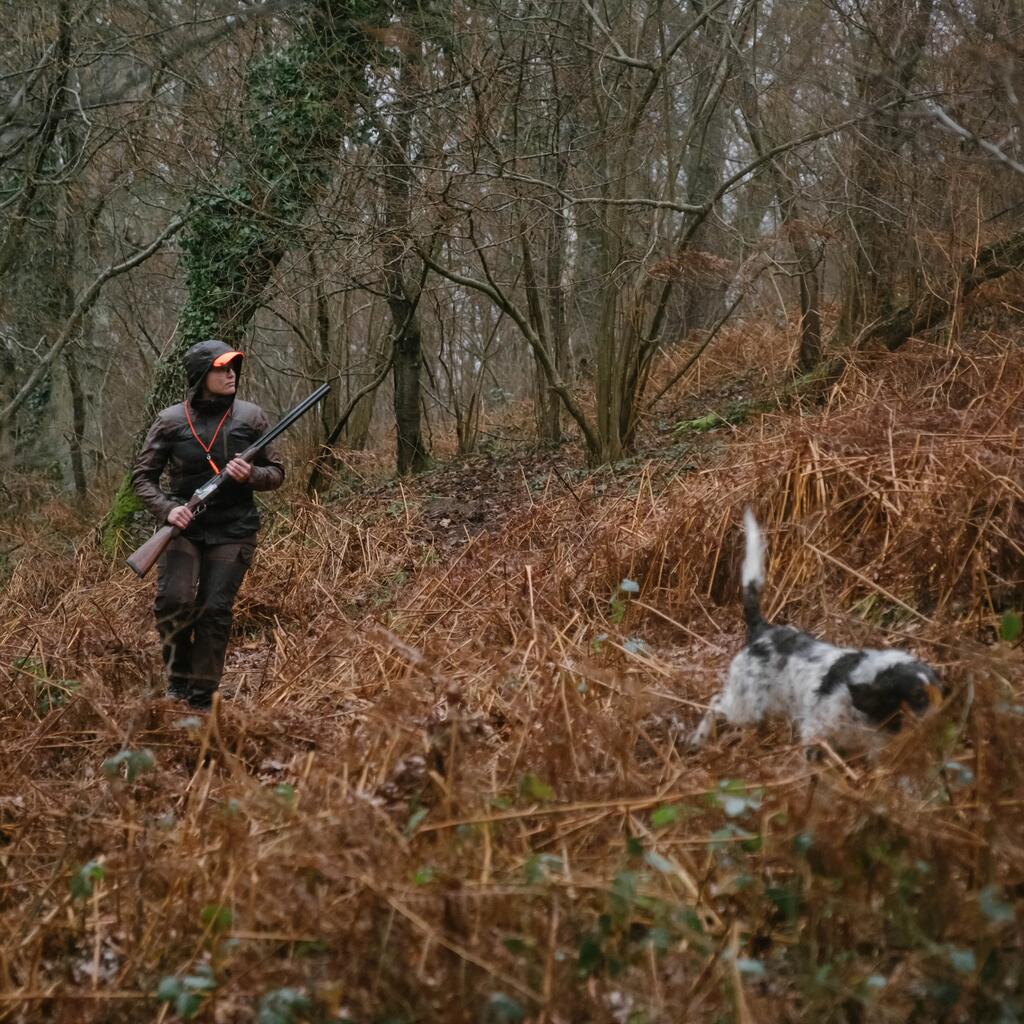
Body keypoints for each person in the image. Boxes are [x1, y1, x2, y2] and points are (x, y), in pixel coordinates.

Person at [131, 339, 284, 709]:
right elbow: (142, 478)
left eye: (233, 367)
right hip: (183, 527)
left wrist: (250, 474)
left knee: (214, 610)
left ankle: (201, 699)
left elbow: (277, 473)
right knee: (173, 601)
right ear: (202, 375)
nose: (231, 374)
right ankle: (178, 680)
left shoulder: (252, 417)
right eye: (221, 368)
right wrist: (168, 510)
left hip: (234, 529)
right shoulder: (170, 421)